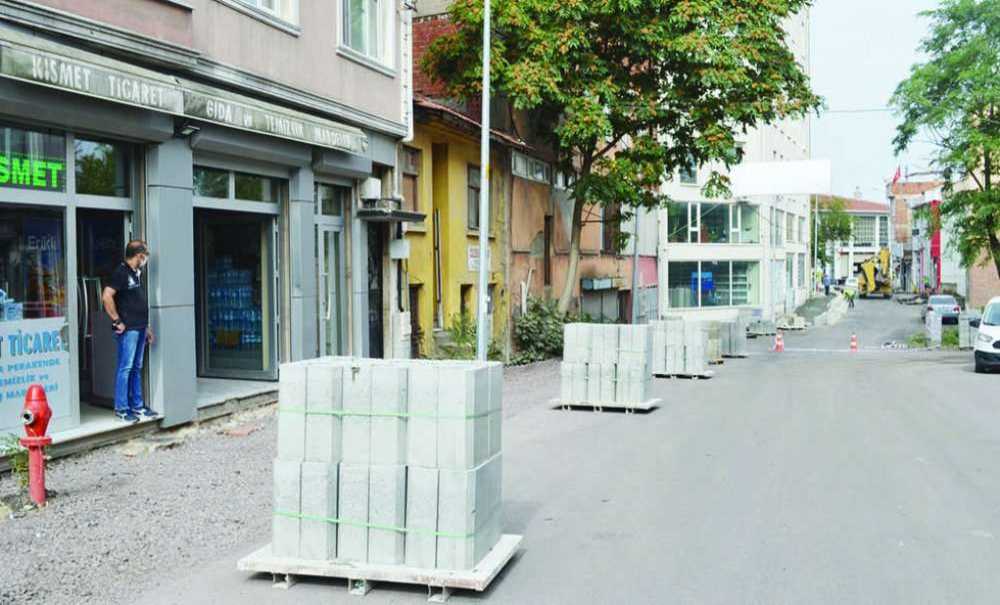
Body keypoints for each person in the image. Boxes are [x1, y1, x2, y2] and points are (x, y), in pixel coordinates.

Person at [102, 240, 158, 423]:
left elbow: (135, 301)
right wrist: (117, 321)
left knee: (136, 367)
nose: (145, 259)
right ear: (139, 255)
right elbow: (106, 296)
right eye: (145, 256)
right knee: (125, 368)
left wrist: (146, 327)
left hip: (139, 327)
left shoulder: (135, 274)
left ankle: (138, 406)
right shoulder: (121, 272)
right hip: (129, 330)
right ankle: (122, 408)